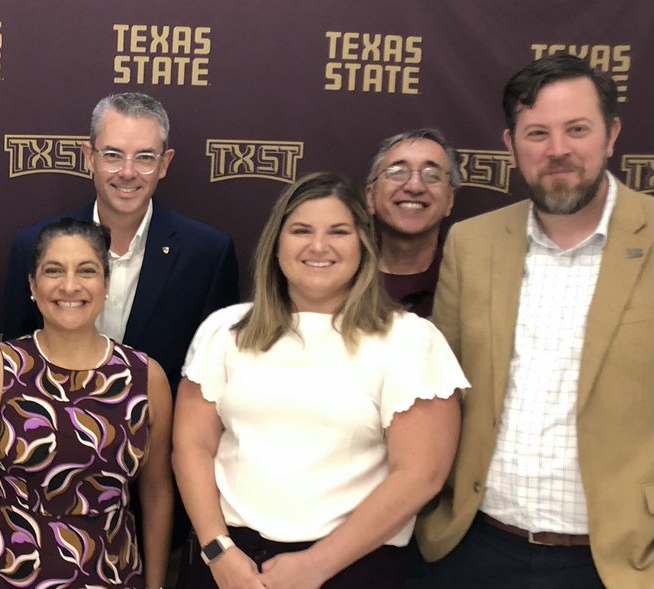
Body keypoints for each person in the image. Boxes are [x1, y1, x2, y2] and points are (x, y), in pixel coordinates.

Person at [413, 54, 653, 589]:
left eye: (577, 129)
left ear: (612, 135)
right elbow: (441, 390)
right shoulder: (471, 244)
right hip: (470, 548)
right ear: (510, 143)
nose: (558, 150)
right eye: (538, 132)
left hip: (619, 563)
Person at [174, 172, 466, 589]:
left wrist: (316, 565)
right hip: (225, 565)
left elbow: (421, 475)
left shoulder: (409, 340)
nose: (318, 246)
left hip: (351, 566)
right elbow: (192, 445)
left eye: (338, 232)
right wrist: (218, 550)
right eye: (301, 231)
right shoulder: (225, 331)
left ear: (363, 245)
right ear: (277, 244)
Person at [0, 218, 173, 589]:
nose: (70, 286)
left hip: (110, 574)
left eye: (87, 271)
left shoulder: (147, 379)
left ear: (106, 284)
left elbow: (157, 493)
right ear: (33, 286)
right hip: (4, 575)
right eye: (53, 271)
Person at [3, 92, 239, 394]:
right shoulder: (33, 245)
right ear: (89, 157)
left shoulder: (207, 255)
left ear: (165, 163)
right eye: (113, 155)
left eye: (144, 157)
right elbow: (16, 361)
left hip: (159, 435)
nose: (128, 173)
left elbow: (213, 375)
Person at [364, 128, 459, 317]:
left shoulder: (468, 281)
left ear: (449, 200)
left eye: (431, 174)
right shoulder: (340, 276)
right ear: (371, 197)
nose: (414, 186)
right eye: (398, 172)